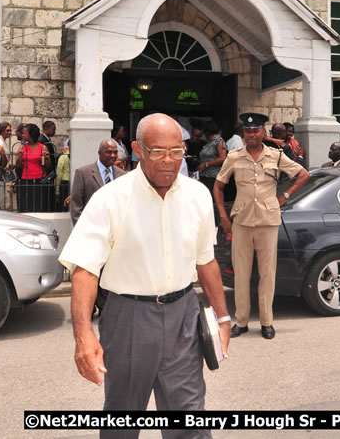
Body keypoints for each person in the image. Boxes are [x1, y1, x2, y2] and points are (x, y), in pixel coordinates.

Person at [59, 113, 231, 438]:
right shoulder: (110, 199)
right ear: (137, 149)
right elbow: (85, 270)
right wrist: (83, 336)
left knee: (190, 421)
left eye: (177, 151)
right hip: (128, 319)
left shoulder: (197, 196)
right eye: (157, 151)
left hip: (184, 316)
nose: (169, 161)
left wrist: (223, 319)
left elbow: (205, 261)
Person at [214, 112, 310, 340]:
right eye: (247, 131)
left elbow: (303, 174)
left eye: (256, 130)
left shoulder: (276, 157)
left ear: (263, 133)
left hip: (268, 221)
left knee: (267, 273)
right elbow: (218, 186)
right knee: (241, 274)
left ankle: (267, 322)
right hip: (242, 221)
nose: (252, 134)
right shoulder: (235, 157)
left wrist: (284, 196)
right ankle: (242, 321)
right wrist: (223, 218)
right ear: (243, 134)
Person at [68, 139, 127, 226]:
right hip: (91, 229)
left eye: (115, 152)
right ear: (100, 153)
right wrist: (82, 230)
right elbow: (76, 206)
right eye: (109, 152)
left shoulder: (122, 175)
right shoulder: (83, 173)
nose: (113, 155)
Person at [16, 124, 50, 212]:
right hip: (25, 180)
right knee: (26, 205)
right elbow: (19, 166)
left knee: (39, 205)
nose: (22, 135)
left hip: (40, 180)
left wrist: (46, 158)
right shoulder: (22, 147)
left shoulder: (43, 147)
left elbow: (48, 166)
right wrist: (19, 157)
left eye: (24, 133)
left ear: (31, 134)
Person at [197, 121, 227, 194]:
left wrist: (206, 164)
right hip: (204, 175)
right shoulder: (209, 141)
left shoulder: (219, 141)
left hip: (212, 176)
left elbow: (223, 158)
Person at [55, 140, 71, 212]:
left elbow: (59, 175)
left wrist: (57, 191)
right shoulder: (80, 156)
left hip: (65, 184)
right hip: (76, 183)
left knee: (65, 206)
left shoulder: (63, 157)